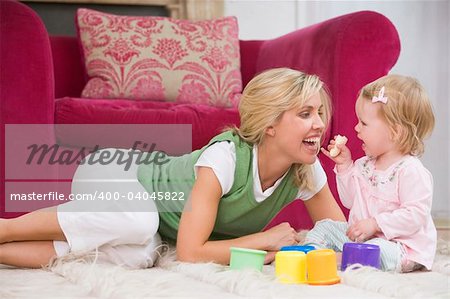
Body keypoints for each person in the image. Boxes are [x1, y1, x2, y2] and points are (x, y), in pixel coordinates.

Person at [0, 68, 345, 269]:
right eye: (305, 114)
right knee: (138, 221)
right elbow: (191, 253)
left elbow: (340, 237)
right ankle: (6, 228)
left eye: (319, 113)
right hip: (119, 173)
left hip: (151, 218)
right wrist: (264, 241)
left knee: (140, 253)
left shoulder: (306, 171)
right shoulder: (224, 158)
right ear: (269, 125)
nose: (319, 124)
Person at [304, 74, 436, 272]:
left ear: (395, 132)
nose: (356, 128)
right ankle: (312, 254)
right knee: (325, 226)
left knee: (378, 250)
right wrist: (346, 166)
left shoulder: (410, 170)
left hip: (400, 247)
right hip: (365, 238)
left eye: (364, 123)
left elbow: (415, 215)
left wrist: (376, 224)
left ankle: (341, 260)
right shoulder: (364, 165)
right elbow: (349, 201)